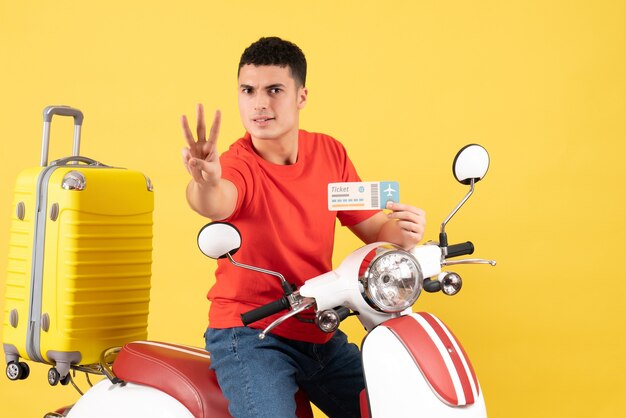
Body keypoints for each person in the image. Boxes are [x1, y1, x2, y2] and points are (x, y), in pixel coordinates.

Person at [181, 36, 426, 418]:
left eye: (274, 90)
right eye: (248, 91)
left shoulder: (330, 153)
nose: (259, 103)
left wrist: (406, 231)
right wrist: (206, 181)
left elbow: (375, 230)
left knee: (390, 408)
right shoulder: (237, 163)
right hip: (251, 333)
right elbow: (216, 202)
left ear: (301, 96)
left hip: (319, 327)